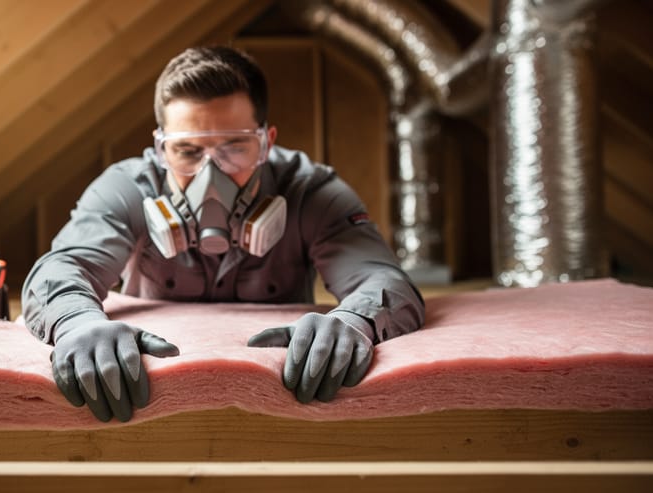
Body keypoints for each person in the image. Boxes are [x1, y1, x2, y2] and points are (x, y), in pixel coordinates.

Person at [21, 45, 425, 422]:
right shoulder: (128, 188)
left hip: (280, 407)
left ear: (266, 143)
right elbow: (61, 268)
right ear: (161, 149)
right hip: (156, 405)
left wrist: (354, 321)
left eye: (235, 146)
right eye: (187, 151)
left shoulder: (310, 192)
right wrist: (78, 322)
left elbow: (385, 280)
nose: (210, 174)